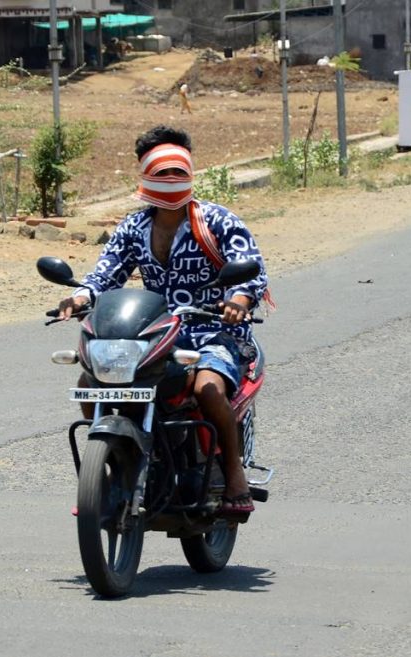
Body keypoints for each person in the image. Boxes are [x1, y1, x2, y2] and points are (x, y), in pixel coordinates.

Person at [57, 125, 269, 516]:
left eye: (178, 172)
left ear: (189, 173)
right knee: (92, 381)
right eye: (162, 173)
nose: (171, 180)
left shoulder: (218, 221)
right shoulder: (134, 227)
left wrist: (238, 299)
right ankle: (105, 470)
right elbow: (106, 274)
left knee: (207, 389)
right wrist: (80, 296)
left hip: (213, 330)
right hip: (155, 332)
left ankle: (233, 472)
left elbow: (253, 271)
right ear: (145, 175)